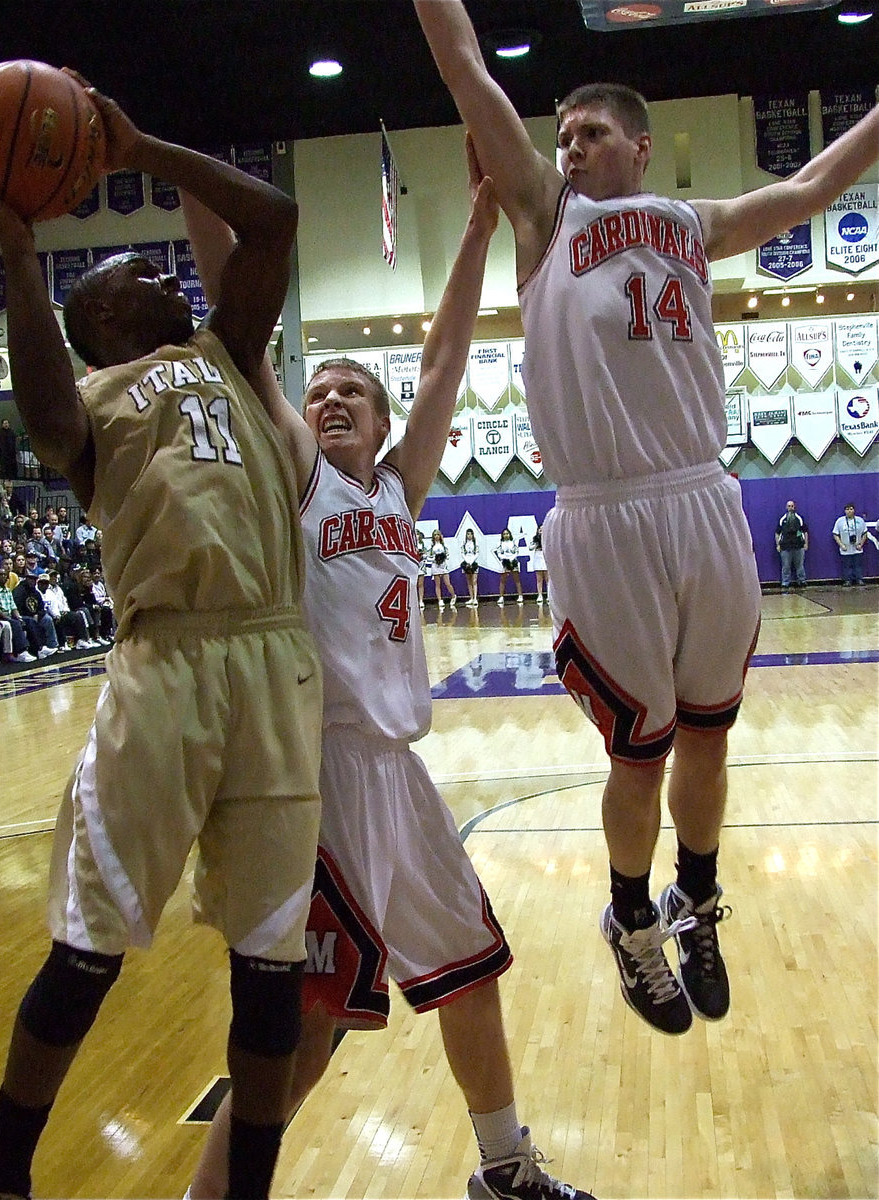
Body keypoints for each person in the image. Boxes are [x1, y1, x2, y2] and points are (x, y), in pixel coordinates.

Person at [414, 0, 879, 1037]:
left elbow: (813, 185)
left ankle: (695, 899)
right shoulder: (543, 215)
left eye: (590, 133)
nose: (569, 148)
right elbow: (461, 64)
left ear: (639, 145)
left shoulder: (690, 224)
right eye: (561, 135)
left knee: (710, 740)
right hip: (604, 513)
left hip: (704, 497)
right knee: (642, 752)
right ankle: (630, 916)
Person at [184, 138, 590, 1200]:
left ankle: (505, 1167)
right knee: (308, 1032)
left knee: (469, 972)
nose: (329, 402)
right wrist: (184, 175)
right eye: (318, 392)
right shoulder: (303, 482)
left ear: (380, 416)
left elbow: (450, 355)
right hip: (317, 781)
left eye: (351, 393)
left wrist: (474, 226)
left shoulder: (399, 495)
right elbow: (245, 335)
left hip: (398, 782)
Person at [0, 69, 321, 1200]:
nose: (166, 273)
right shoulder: (97, 401)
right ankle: (1, 1175)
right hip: (166, 669)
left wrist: (139, 145)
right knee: (85, 952)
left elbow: (277, 220)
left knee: (271, 977)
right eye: (137, 273)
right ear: (102, 317)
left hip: (272, 658)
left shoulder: (223, 352)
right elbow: (46, 413)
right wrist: (17, 254)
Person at [774, 499, 809, 590]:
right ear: (786, 507)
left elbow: (805, 532)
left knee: (800, 566)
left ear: (794, 507)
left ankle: (802, 581)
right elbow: (777, 533)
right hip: (785, 547)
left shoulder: (799, 519)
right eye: (789, 506)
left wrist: (806, 543)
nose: (790, 508)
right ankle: (785, 582)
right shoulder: (782, 520)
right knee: (786, 566)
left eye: (792, 506)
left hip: (799, 546)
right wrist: (778, 545)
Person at [832, 502, 866, 586]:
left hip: (857, 548)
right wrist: (841, 545)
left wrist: (861, 544)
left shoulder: (860, 520)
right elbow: (835, 534)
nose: (849, 511)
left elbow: (864, 533)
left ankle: (859, 579)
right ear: (844, 511)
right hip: (845, 549)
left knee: (857, 565)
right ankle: (847, 580)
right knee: (846, 566)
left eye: (851, 509)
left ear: (854, 510)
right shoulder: (840, 521)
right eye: (847, 509)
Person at [427, 527, 458, 608]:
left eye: (438, 534)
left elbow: (447, 555)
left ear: (440, 536)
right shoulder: (431, 546)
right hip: (435, 566)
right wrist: (435, 559)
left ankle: (453, 596)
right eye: (435, 535)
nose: (436, 536)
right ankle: (440, 600)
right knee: (437, 584)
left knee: (447, 583)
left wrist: (442, 558)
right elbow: (428, 557)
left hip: (443, 566)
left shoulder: (443, 546)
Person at [493, 528, 523, 605]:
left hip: (513, 562)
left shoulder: (513, 543)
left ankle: (520, 595)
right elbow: (499, 553)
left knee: (517, 579)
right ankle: (501, 597)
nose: (506, 535)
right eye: (504, 534)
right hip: (505, 562)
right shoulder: (500, 544)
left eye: (507, 533)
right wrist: (505, 558)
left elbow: (516, 552)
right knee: (503, 580)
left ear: (510, 534)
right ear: (502, 535)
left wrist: (512, 559)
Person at [525, 523, 547, 604]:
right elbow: (530, 548)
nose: (541, 531)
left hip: (545, 557)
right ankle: (540, 595)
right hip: (538, 557)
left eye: (543, 529)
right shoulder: (535, 539)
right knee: (539, 579)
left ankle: (549, 596)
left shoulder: (548, 538)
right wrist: (536, 543)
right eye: (540, 529)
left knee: (548, 579)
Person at [459, 528, 480, 607]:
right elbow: (462, 553)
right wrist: (467, 562)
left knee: (474, 581)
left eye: (471, 534)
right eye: (468, 534)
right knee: (469, 581)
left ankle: (475, 598)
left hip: (474, 563)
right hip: (466, 563)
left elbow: (477, 553)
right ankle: (471, 597)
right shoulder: (464, 544)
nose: (469, 536)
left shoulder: (475, 544)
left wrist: (471, 562)